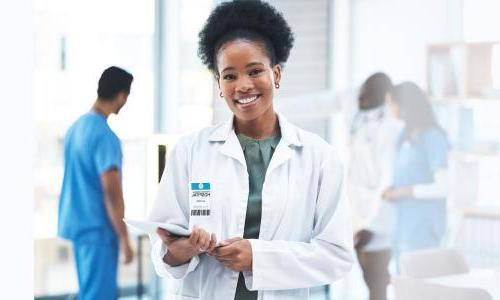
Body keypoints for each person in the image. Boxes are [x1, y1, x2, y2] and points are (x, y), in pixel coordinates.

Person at [148, 1, 354, 299]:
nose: (243, 85)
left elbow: (337, 255)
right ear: (219, 84)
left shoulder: (318, 157)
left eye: (255, 71)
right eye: (230, 76)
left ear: (277, 75)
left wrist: (259, 257)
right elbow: (163, 252)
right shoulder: (190, 151)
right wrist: (179, 252)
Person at [58, 66, 134, 300]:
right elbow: (111, 192)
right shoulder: (104, 136)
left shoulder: (75, 128)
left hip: (78, 226)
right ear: (121, 95)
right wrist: (124, 239)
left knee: (88, 291)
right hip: (98, 230)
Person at [382, 82, 449, 264]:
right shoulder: (405, 135)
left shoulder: (433, 137)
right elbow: (407, 174)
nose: (390, 108)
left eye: (391, 103)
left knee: (419, 285)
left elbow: (443, 188)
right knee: (402, 285)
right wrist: (393, 188)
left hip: (423, 228)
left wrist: (401, 192)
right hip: (402, 227)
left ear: (404, 105)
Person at [348, 72, 402, 300]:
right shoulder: (360, 118)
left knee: (376, 282)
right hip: (356, 210)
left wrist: (372, 225)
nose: (362, 96)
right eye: (362, 90)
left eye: (368, 92)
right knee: (370, 277)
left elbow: (388, 181)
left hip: (378, 218)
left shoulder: (392, 128)